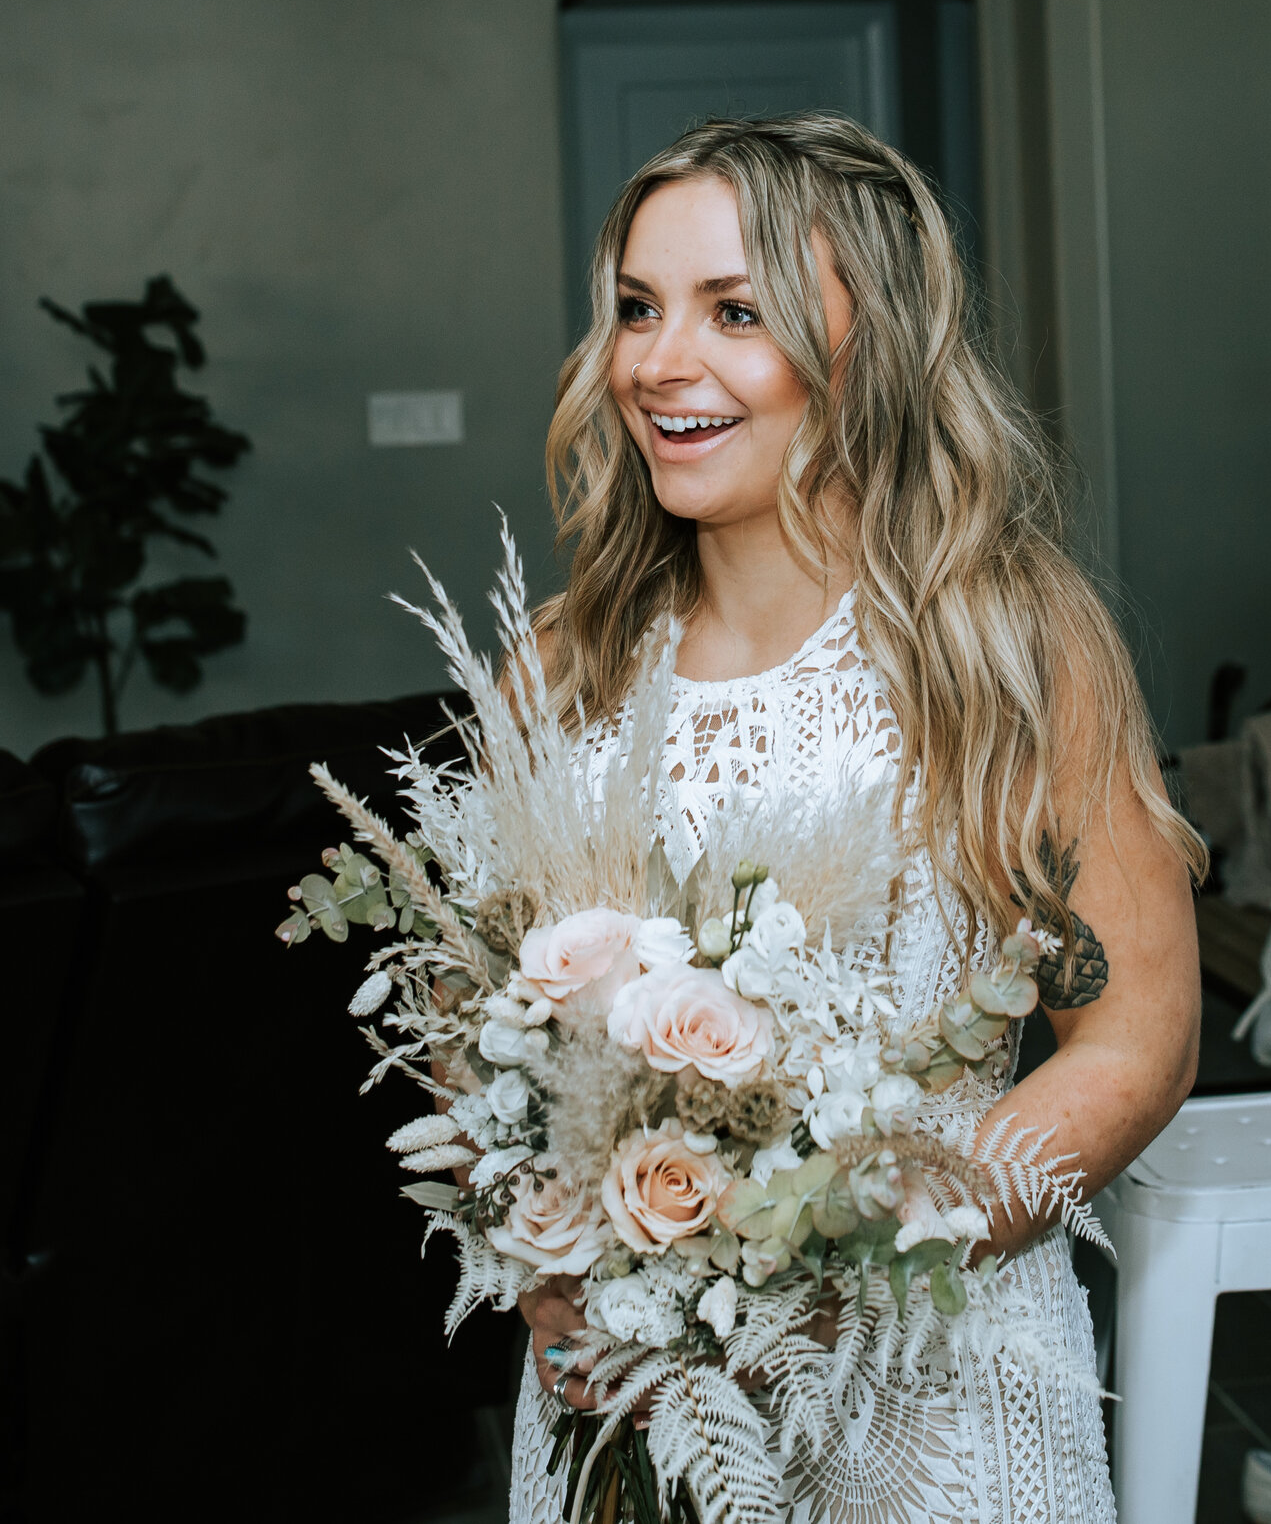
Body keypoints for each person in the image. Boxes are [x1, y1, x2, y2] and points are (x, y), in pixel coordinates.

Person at [507, 115, 1200, 1523]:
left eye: (735, 312)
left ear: (865, 348)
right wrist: (544, 1253)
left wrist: (867, 1259)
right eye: (638, 309)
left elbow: (1137, 1039)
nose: (657, 363)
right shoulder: (563, 667)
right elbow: (499, 1038)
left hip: (933, 1396)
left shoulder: (1002, 655)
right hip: (623, 1405)